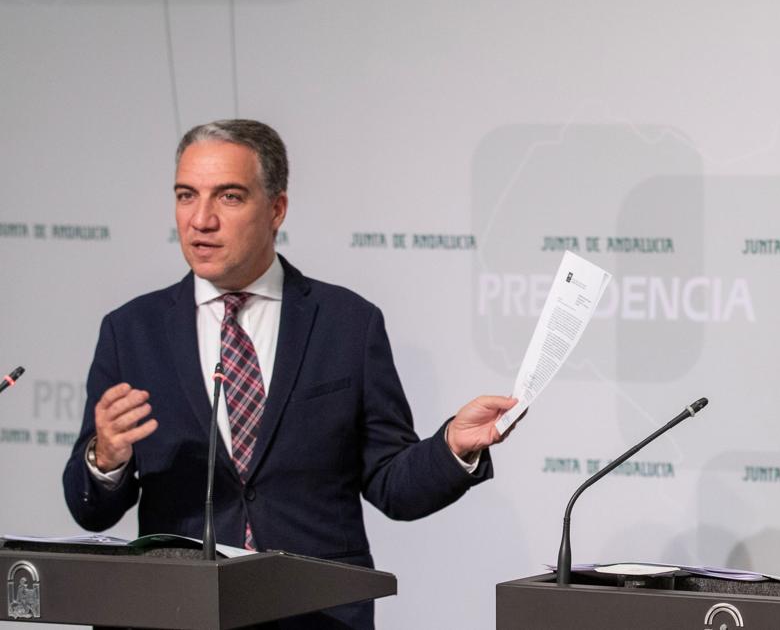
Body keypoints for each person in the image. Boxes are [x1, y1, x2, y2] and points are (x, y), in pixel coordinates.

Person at [63, 119, 517, 629]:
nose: (201, 219)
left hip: (315, 615)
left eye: (228, 197)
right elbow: (90, 511)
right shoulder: (132, 331)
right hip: (178, 614)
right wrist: (104, 459)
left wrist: (454, 446)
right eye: (186, 195)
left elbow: (392, 483)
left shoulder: (347, 324)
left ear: (276, 208)